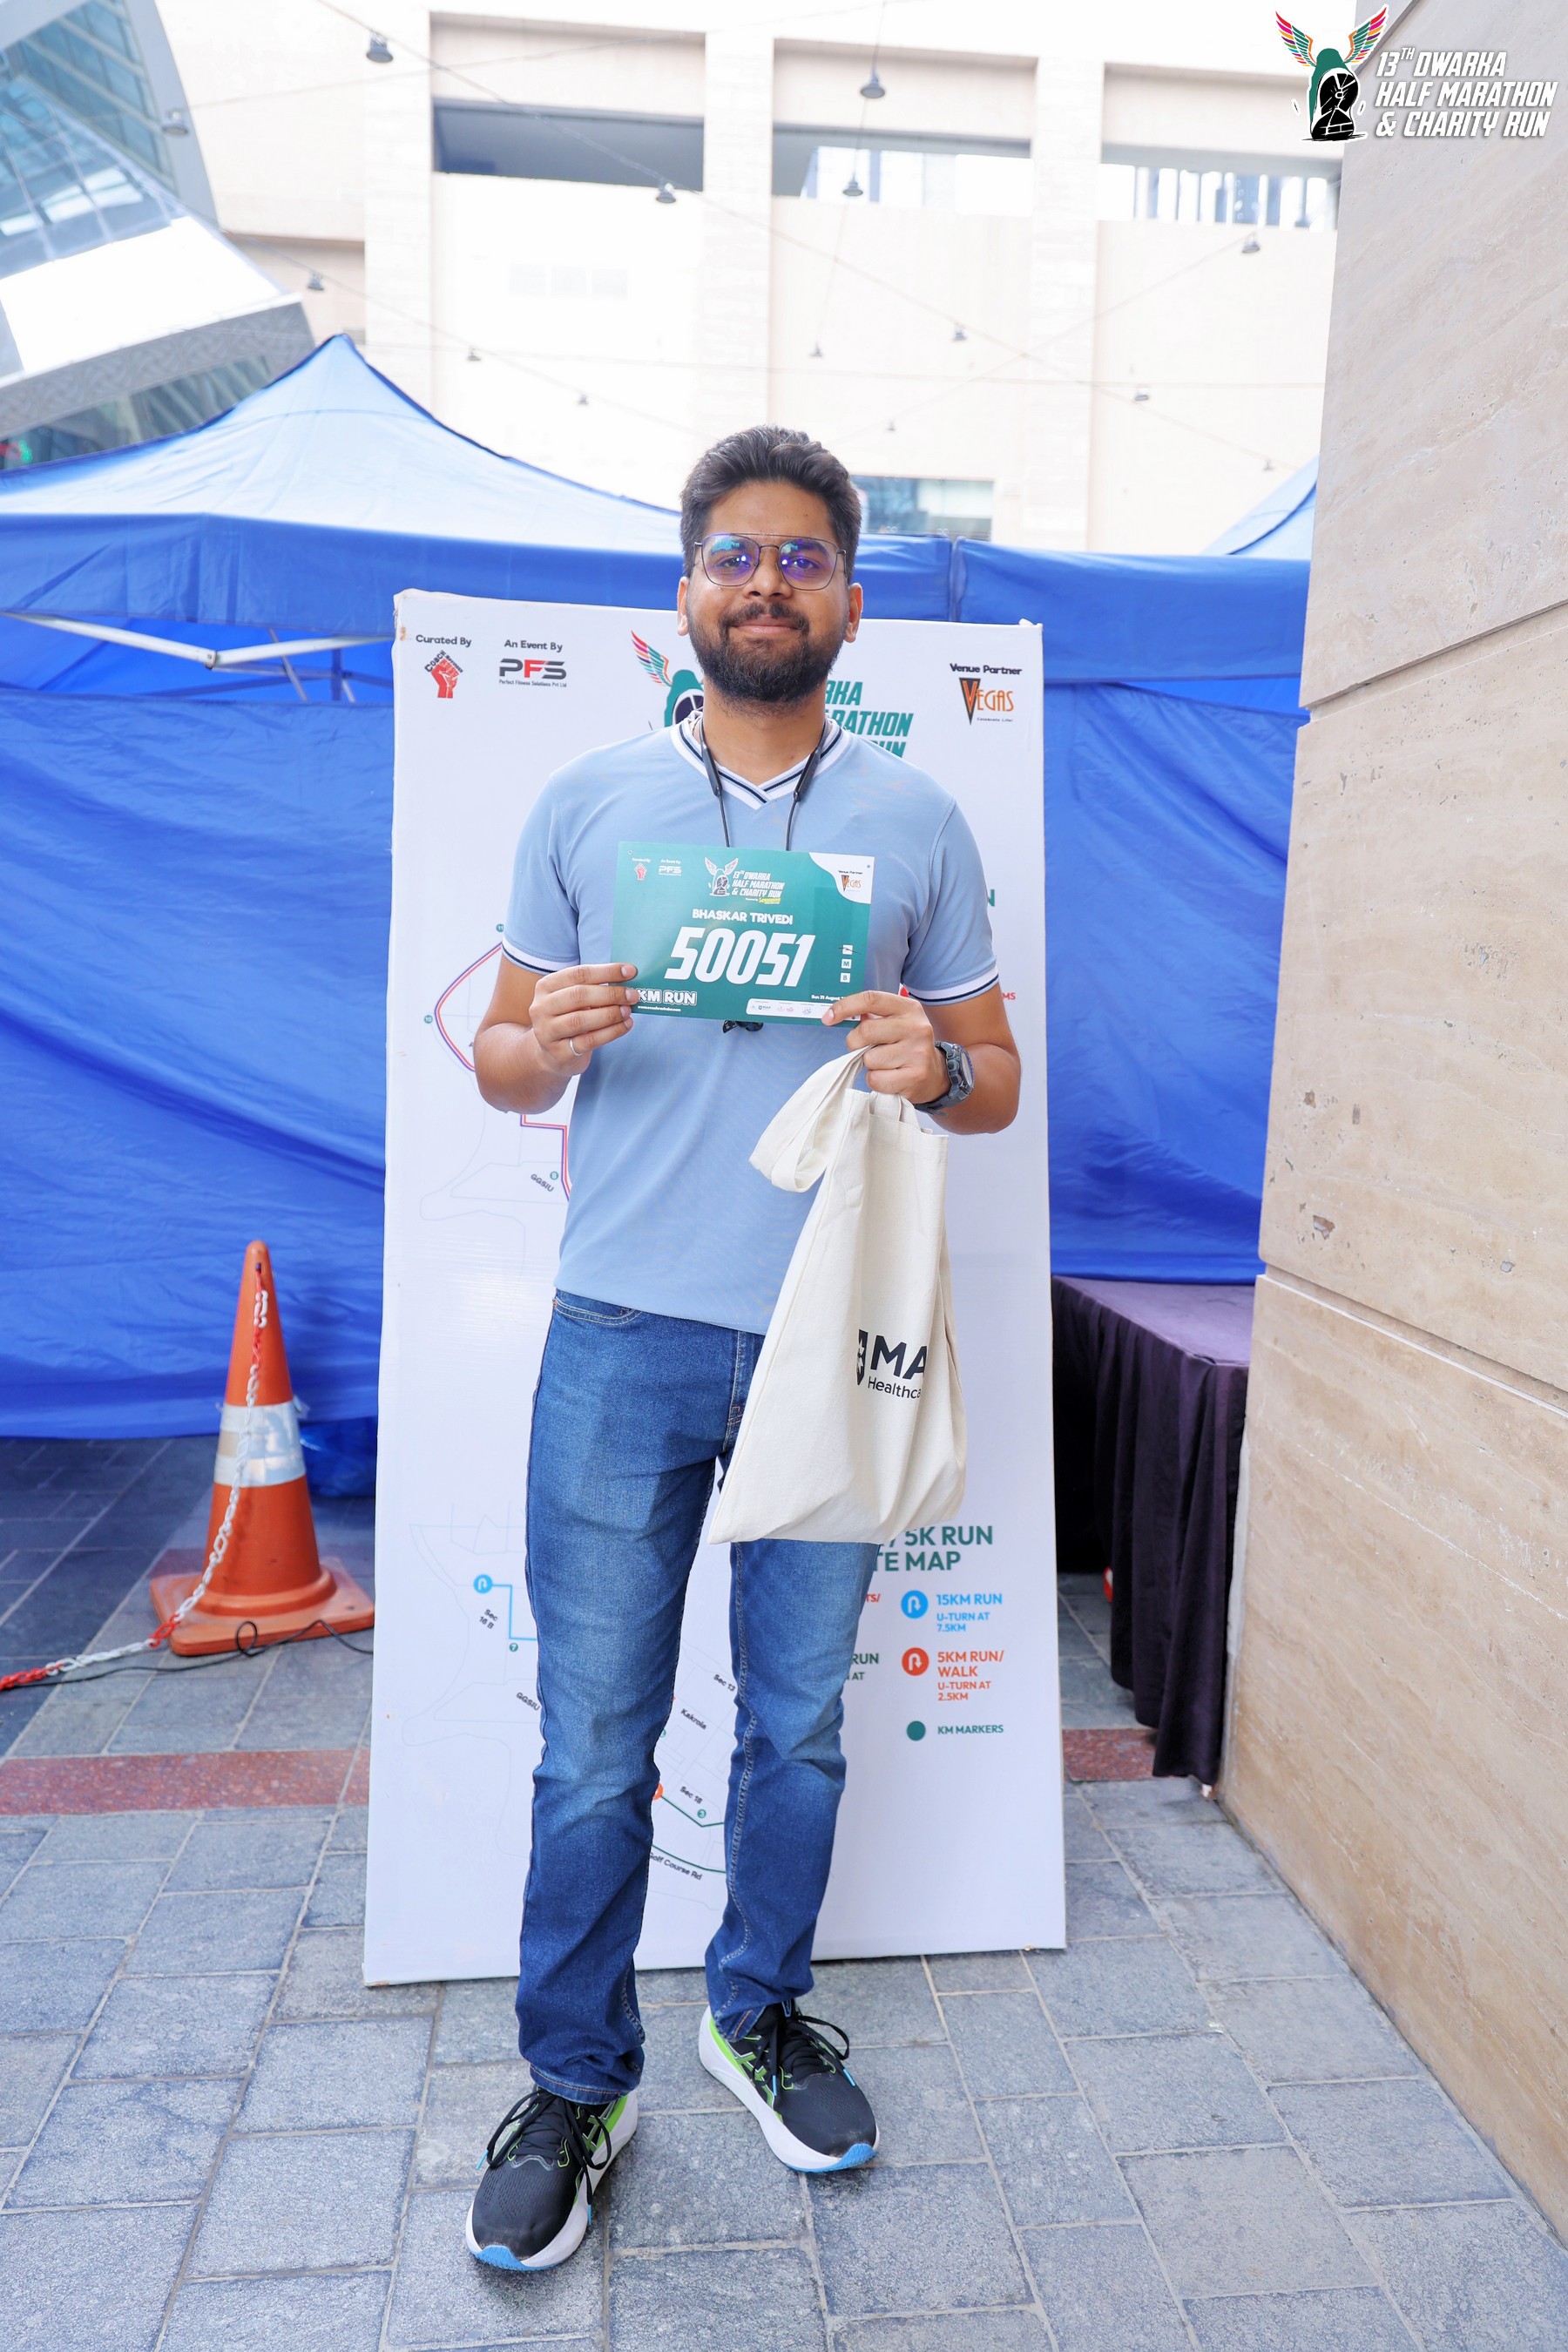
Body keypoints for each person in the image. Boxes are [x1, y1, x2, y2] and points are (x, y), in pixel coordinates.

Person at [466, 425, 1020, 2272]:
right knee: (592, 1747)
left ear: (850, 603)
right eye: (733, 554)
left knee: (795, 1726)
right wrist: (549, 1036)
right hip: (620, 1334)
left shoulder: (918, 822)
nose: (765, 582)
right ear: (685, 592)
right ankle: (575, 2080)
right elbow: (500, 1061)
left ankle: (758, 2010)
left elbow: (996, 1080)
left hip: (829, 1334)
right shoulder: (586, 802)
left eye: (801, 558)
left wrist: (931, 1063)